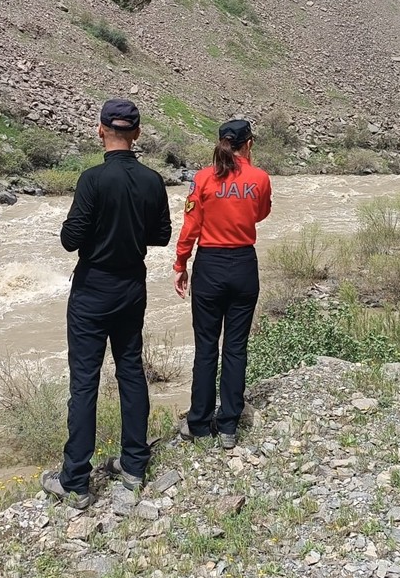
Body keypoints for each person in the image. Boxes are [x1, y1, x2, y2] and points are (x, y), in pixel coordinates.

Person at [41, 99, 172, 508]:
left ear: (101, 130)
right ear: (136, 134)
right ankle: (133, 465)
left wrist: (94, 227)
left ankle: (76, 481)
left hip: (92, 291)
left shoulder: (92, 179)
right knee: (131, 372)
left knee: (85, 382)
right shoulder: (152, 180)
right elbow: (163, 235)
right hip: (132, 287)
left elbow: (70, 240)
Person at [173, 118, 272, 450]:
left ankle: (199, 423)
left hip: (210, 266)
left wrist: (180, 263)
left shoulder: (202, 178)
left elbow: (191, 226)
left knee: (206, 347)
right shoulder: (259, 178)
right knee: (236, 347)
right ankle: (228, 424)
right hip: (243, 265)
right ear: (249, 143)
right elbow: (259, 214)